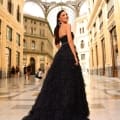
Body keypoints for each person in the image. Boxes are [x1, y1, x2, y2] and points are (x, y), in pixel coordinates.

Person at [22, 10, 90, 120]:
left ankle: (59, 107)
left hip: (61, 54)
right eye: (63, 15)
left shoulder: (57, 29)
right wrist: (75, 57)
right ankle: (70, 108)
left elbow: (57, 44)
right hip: (68, 53)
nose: (66, 16)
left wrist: (62, 50)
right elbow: (70, 41)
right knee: (71, 81)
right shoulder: (68, 25)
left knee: (59, 82)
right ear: (59, 18)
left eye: (67, 14)